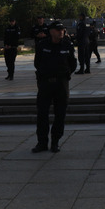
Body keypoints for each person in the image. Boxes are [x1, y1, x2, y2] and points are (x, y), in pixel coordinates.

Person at [32, 20, 77, 153]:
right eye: (58, 30)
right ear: (51, 31)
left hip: (61, 84)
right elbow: (37, 62)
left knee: (60, 114)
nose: (61, 32)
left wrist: (66, 74)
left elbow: (73, 63)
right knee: (42, 114)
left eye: (62, 30)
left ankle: (55, 141)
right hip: (45, 83)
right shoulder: (42, 45)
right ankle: (42, 142)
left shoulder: (67, 45)